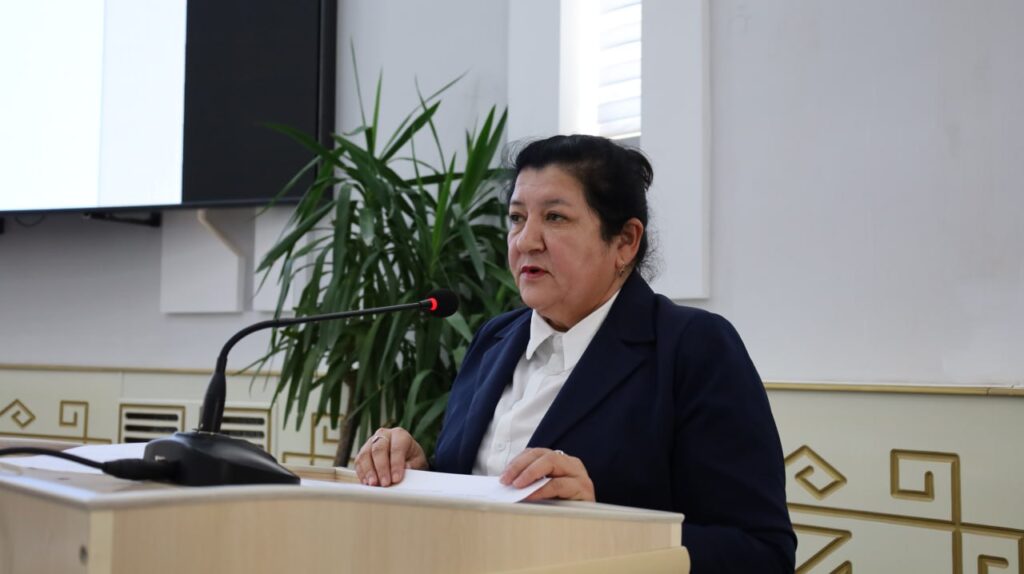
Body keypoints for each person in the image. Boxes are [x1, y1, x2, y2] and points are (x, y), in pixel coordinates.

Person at [354, 134, 796, 572]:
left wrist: (598, 520)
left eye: (555, 217)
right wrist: (419, 472)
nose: (525, 241)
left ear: (625, 241)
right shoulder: (494, 339)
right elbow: (480, 492)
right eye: (516, 218)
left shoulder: (694, 347)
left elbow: (762, 553)